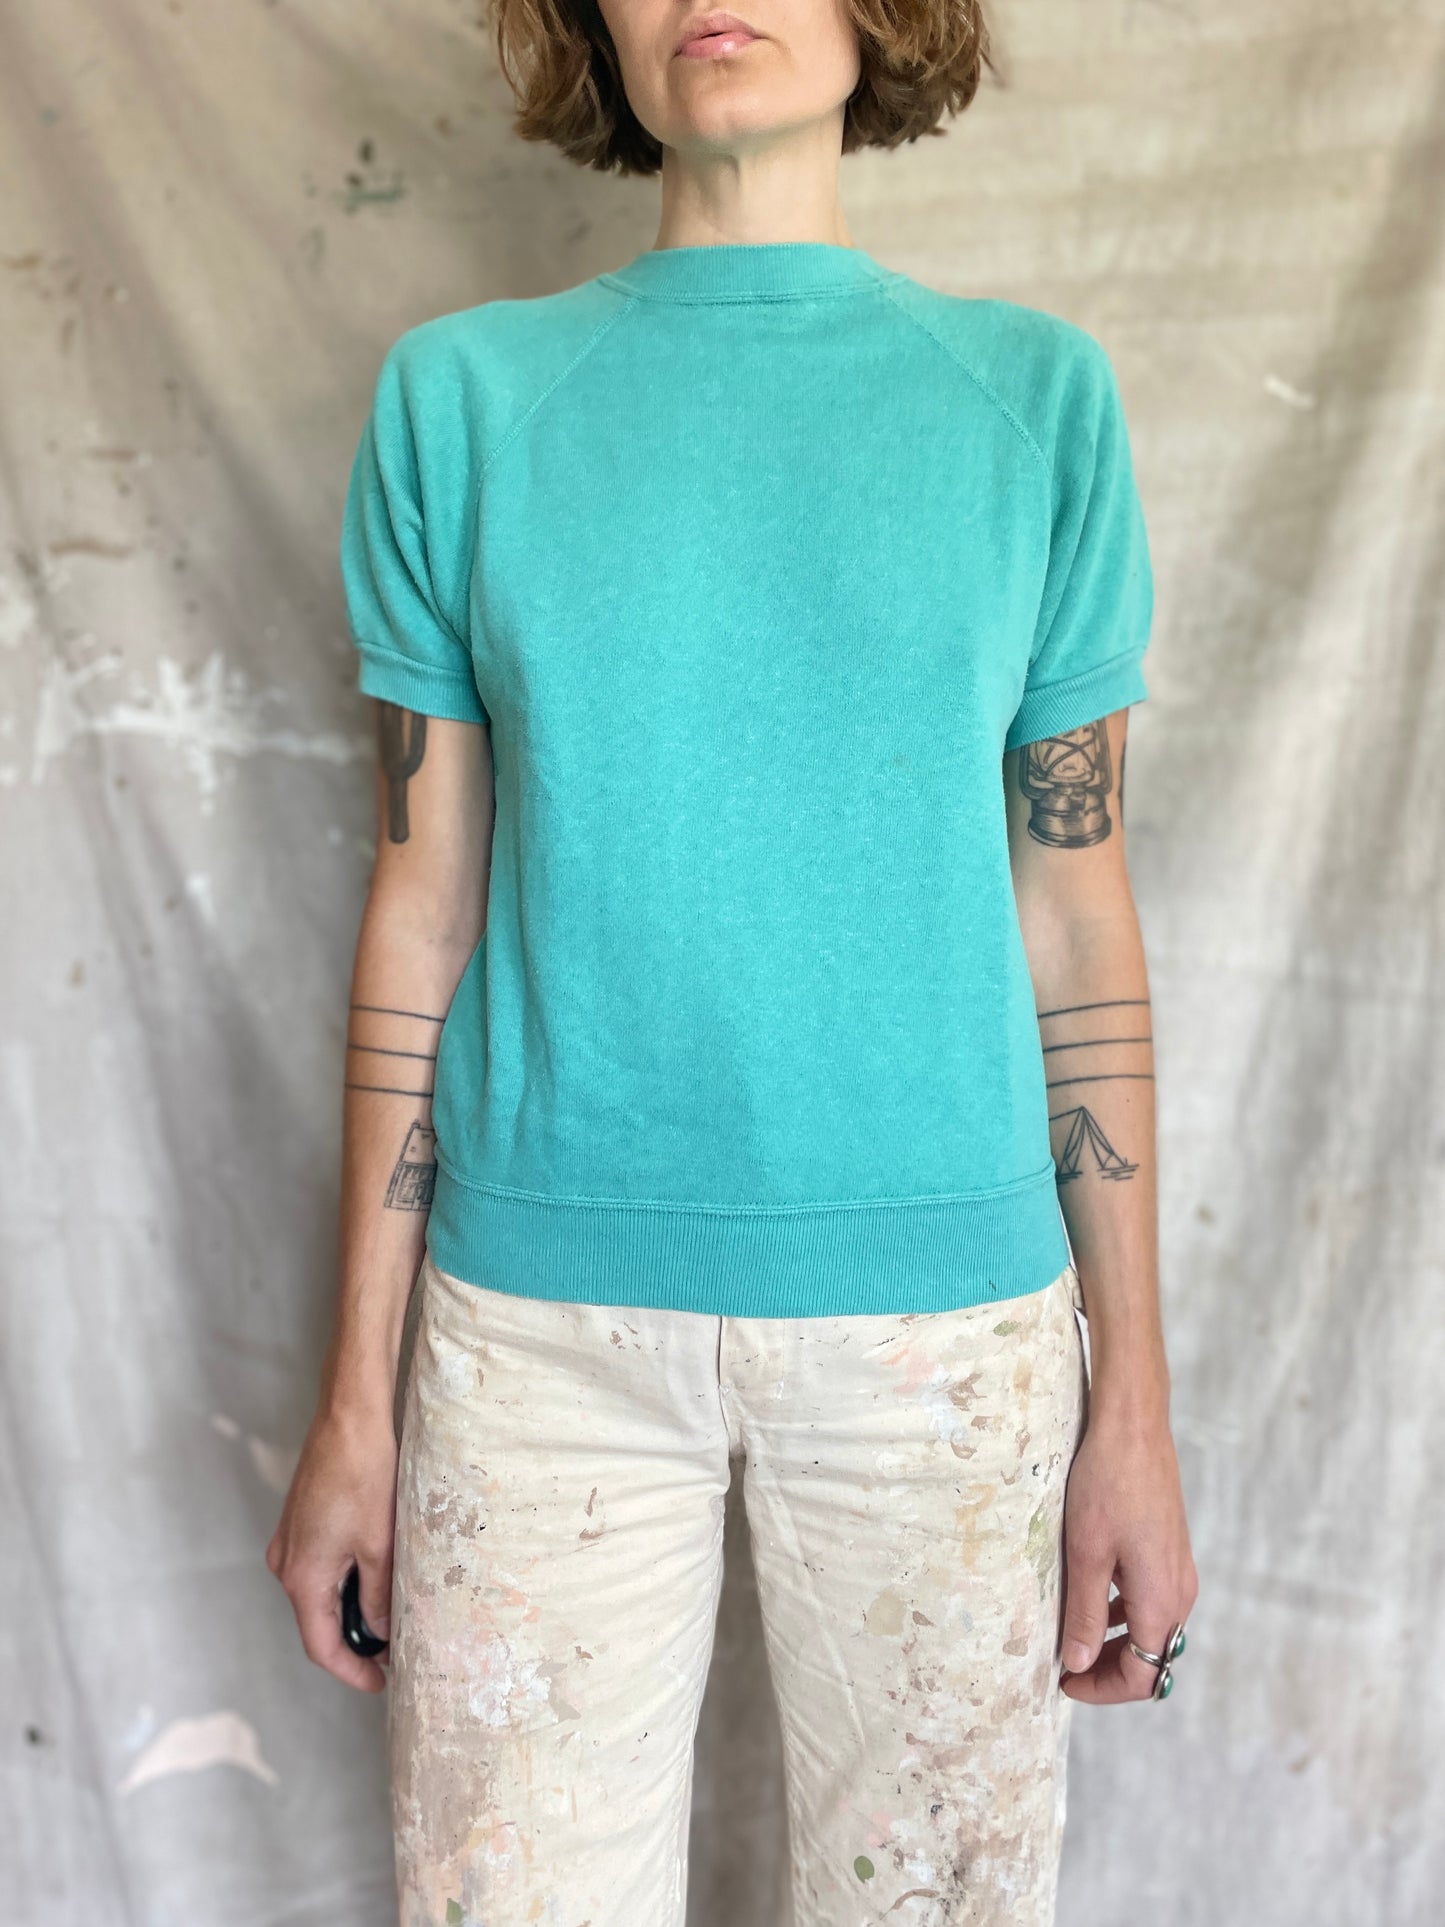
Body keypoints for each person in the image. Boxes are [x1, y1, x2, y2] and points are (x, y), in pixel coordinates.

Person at [267, 0, 1199, 1919]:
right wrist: (357, 1399)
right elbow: (420, 910)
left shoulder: (1030, 404)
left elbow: (1074, 912)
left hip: (948, 1341)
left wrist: (1134, 1410)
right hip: (537, 1339)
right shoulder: (461, 404)